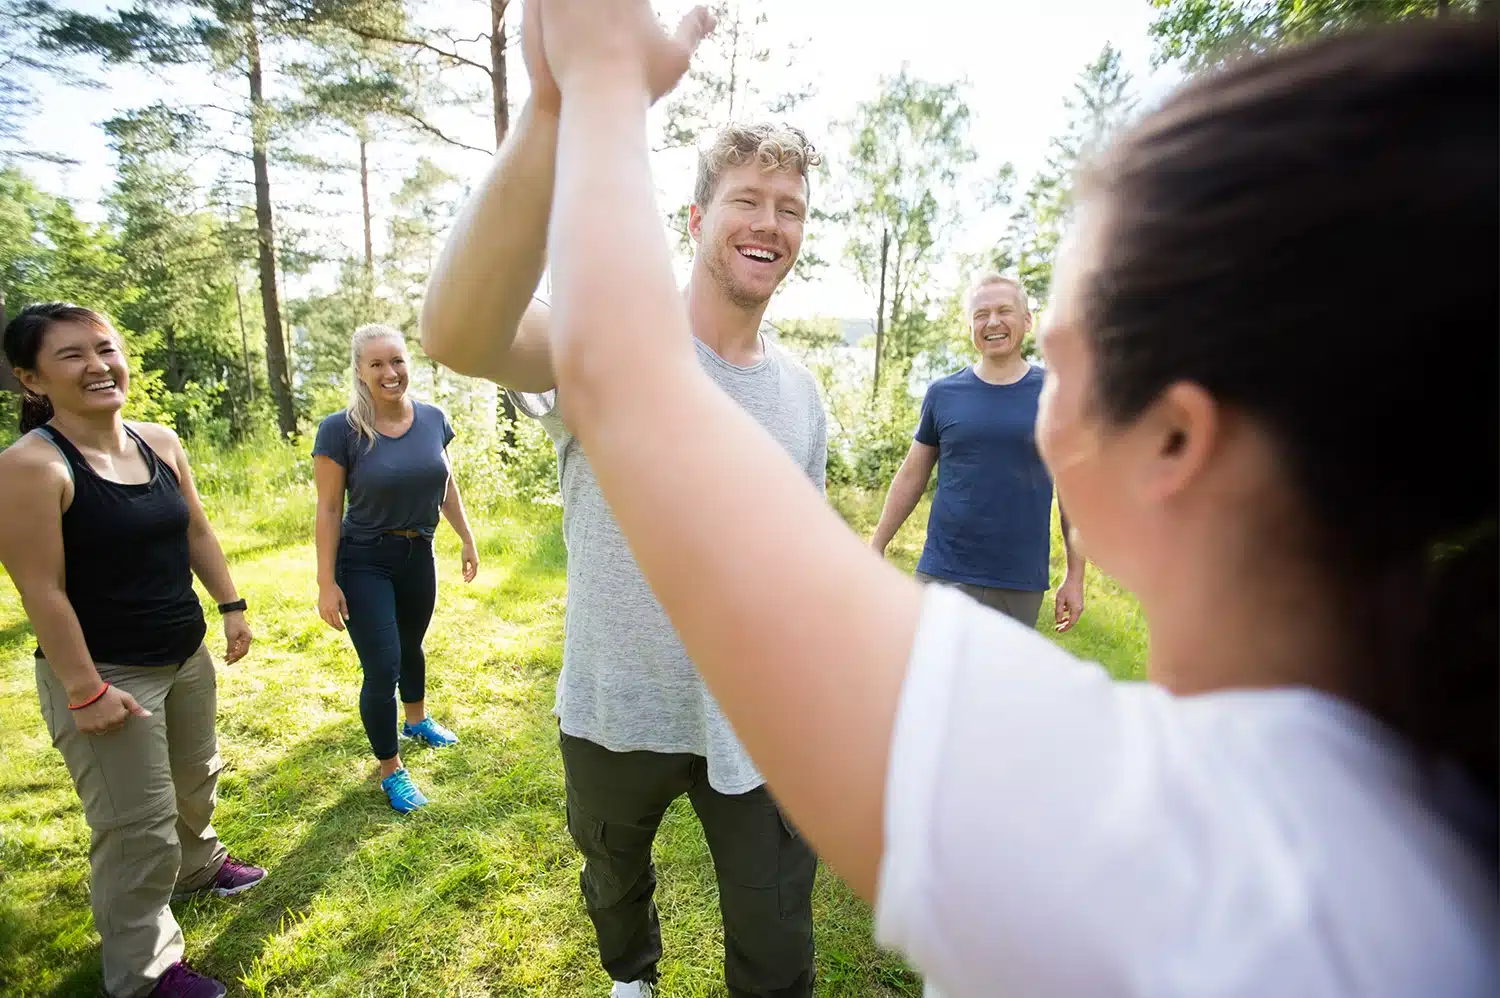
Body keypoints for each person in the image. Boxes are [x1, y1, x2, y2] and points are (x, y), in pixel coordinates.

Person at [518, 5, 1499, 997]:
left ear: (1174, 439)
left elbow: (622, 379)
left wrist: (600, 76)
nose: (1029, 405)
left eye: (1060, 360)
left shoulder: (1137, 838)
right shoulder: (1433, 838)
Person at [421, 17, 825, 994]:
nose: (770, 222)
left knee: (777, 946)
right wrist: (558, 105)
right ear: (697, 220)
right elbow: (458, 330)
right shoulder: (606, 342)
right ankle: (632, 978)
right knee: (614, 877)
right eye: (748, 199)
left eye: (791, 206)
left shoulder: (804, 393)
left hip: (757, 721)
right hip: (615, 706)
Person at [0, 302, 266, 998]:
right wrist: (84, 691)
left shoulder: (158, 440)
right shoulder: (30, 465)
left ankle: (200, 866)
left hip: (183, 654)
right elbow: (41, 590)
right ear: (32, 379)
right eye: (72, 355)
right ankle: (144, 973)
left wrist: (231, 607)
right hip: (105, 675)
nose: (98, 365)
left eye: (105, 348)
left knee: (194, 777)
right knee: (134, 830)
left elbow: (196, 533)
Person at [312, 324, 479, 814]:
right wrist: (326, 581)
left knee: (410, 645)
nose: (391, 373)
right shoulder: (339, 429)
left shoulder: (432, 419)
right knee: (382, 665)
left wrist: (466, 538)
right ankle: (392, 769)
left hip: (417, 554)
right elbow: (327, 509)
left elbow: (445, 483)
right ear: (361, 373)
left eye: (398, 361)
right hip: (363, 559)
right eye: (378, 364)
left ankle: (417, 719)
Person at [870, 272, 1086, 631]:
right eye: (981, 314)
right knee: (928, 680)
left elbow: (1073, 492)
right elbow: (912, 474)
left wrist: (1075, 576)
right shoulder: (943, 393)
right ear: (970, 326)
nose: (993, 322)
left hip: (1019, 580)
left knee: (1001, 685)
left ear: (1027, 320)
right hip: (943, 572)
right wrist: (877, 545)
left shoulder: (1056, 394)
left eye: (1005, 311)